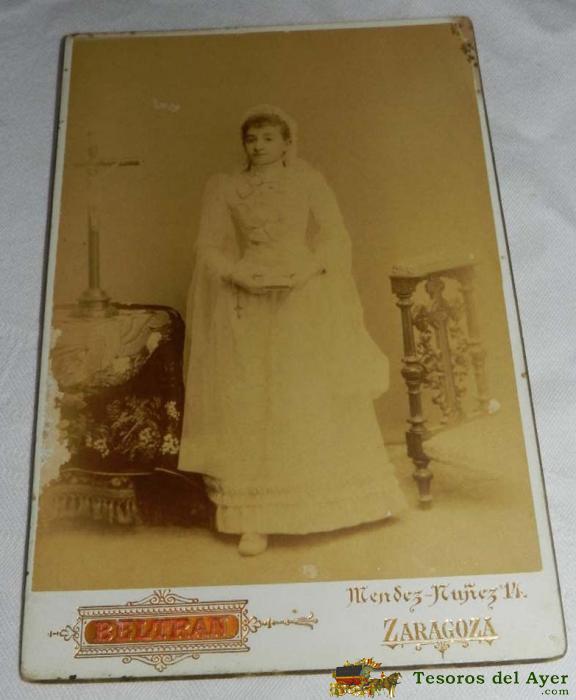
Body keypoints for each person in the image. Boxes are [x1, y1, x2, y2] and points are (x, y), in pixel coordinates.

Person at [178, 105, 406, 556]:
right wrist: (236, 273)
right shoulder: (225, 186)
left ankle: (337, 507)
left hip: (302, 299)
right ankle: (255, 518)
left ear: (287, 143)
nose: (259, 146)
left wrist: (308, 269)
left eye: (268, 138)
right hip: (248, 297)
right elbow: (208, 245)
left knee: (305, 395)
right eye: (251, 139)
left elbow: (335, 236)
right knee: (254, 399)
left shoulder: (308, 181)